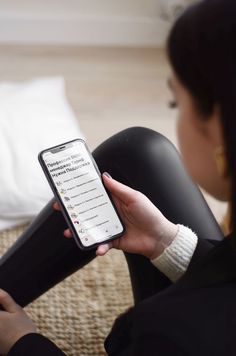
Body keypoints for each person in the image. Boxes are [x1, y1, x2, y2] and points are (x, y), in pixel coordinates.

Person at [0, 0, 235, 354]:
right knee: (138, 152)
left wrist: (23, 343)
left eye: (177, 102)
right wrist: (166, 242)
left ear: (217, 126)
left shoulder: (162, 332)